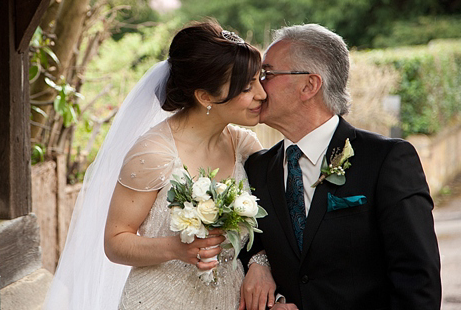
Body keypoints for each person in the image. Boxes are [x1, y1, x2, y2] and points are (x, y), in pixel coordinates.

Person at [44, 20, 289, 310]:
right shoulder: (153, 154)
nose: (261, 94)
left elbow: (268, 226)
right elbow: (115, 241)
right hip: (161, 300)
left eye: (259, 81)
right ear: (205, 96)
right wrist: (175, 248)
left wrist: (260, 263)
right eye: (247, 88)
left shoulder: (245, 146)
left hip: (230, 299)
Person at [240, 24, 442, 310]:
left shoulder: (386, 160)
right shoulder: (256, 169)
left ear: (309, 85)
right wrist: (257, 263)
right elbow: (246, 245)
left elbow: (417, 283)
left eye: (267, 74)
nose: (258, 87)